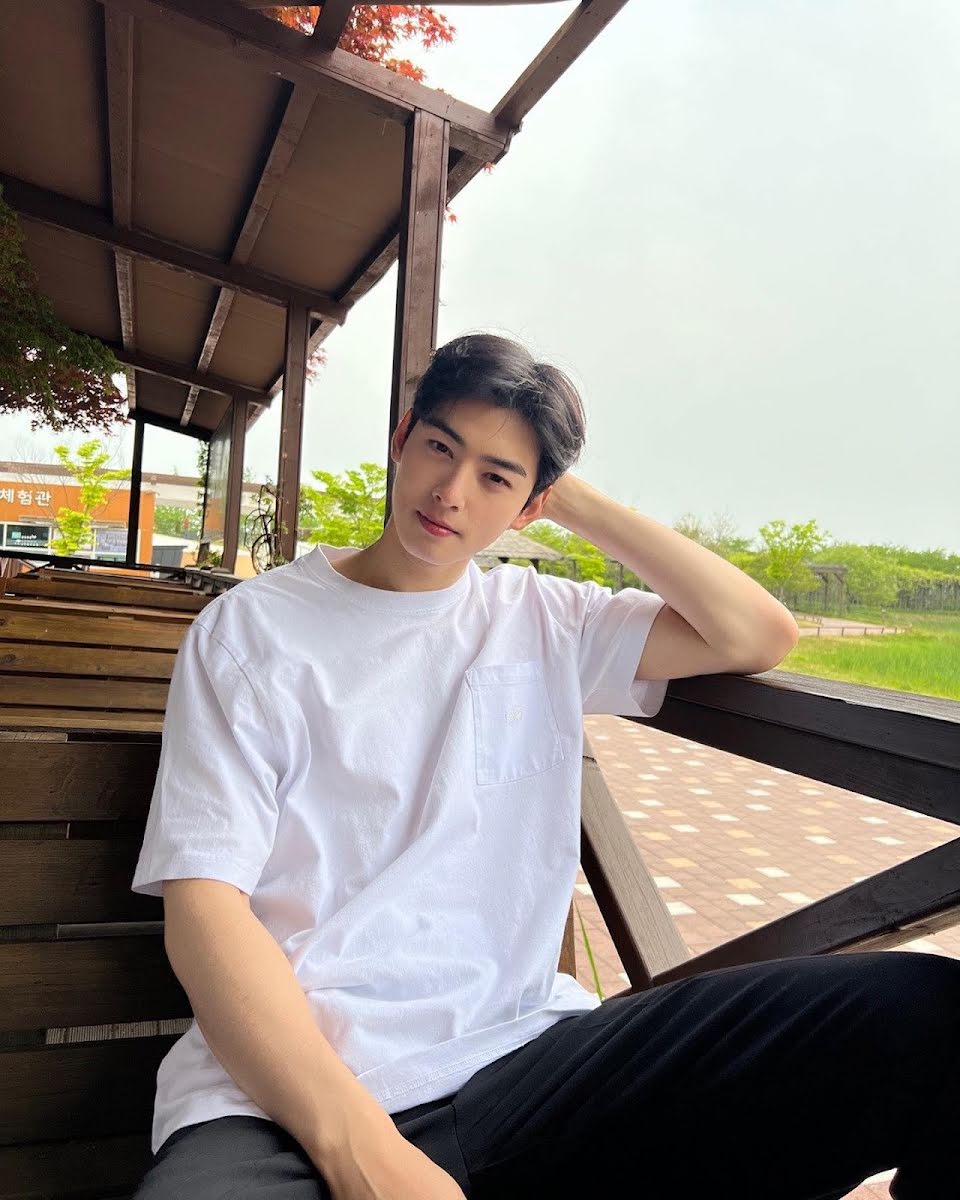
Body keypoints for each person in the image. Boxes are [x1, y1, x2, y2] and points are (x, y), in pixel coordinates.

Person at [132, 334, 958, 1200]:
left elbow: (756, 632)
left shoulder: (548, 618)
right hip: (286, 1100)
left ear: (533, 505)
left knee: (927, 1017)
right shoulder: (252, 632)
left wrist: (572, 499)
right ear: (402, 437)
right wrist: (359, 1150)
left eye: (497, 478)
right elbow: (205, 909)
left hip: (526, 1061)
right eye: (440, 447)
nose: (451, 492)